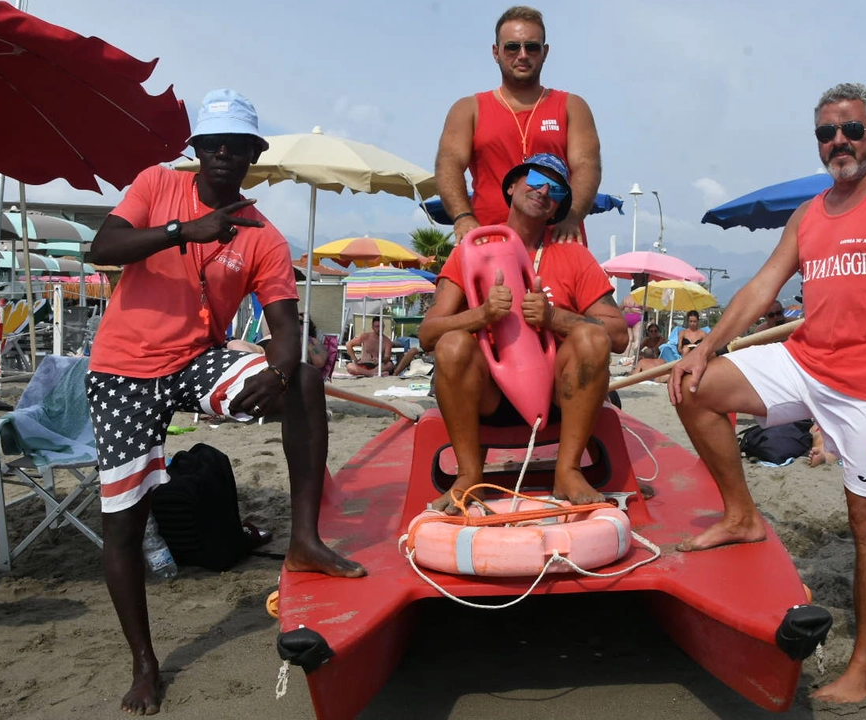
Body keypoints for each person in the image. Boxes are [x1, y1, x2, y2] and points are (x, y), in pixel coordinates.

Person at [86, 88, 365, 716]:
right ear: (196, 151)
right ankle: (145, 663)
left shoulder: (261, 233)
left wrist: (281, 364)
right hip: (124, 371)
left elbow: (287, 322)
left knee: (308, 379)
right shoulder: (157, 185)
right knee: (124, 521)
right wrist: (185, 231)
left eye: (235, 147)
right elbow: (100, 249)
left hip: (194, 363)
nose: (221, 155)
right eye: (212, 144)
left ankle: (303, 540)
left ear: (251, 156)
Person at [666, 83, 866, 704]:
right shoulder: (811, 212)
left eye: (850, 129)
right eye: (826, 133)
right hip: (806, 362)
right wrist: (706, 345)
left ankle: (865, 663)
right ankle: (740, 517)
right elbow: (763, 287)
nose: (838, 142)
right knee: (693, 386)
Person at [420, 152, 626, 511]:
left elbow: (618, 335)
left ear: (557, 208)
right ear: (512, 186)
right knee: (452, 344)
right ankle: (470, 474)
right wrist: (481, 315)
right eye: (534, 178)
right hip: (487, 398)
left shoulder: (574, 256)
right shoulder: (470, 252)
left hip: (560, 399)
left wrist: (553, 318)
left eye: (558, 188)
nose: (544, 189)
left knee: (591, 337)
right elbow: (428, 334)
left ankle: (569, 470)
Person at [435, 5, 601, 245]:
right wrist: (463, 217)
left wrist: (571, 216)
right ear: (496, 52)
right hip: (488, 241)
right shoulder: (468, 109)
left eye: (531, 47)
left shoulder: (572, 107)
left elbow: (587, 167)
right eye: (512, 47)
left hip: (557, 240)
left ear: (544, 52)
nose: (522, 54)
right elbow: (448, 164)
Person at [621, 293, 644, 364]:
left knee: (629, 339)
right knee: (637, 339)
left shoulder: (626, 299)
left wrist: (628, 309)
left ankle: (625, 357)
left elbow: (619, 308)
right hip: (637, 319)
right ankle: (635, 357)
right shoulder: (640, 299)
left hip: (627, 318)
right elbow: (647, 308)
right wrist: (637, 310)